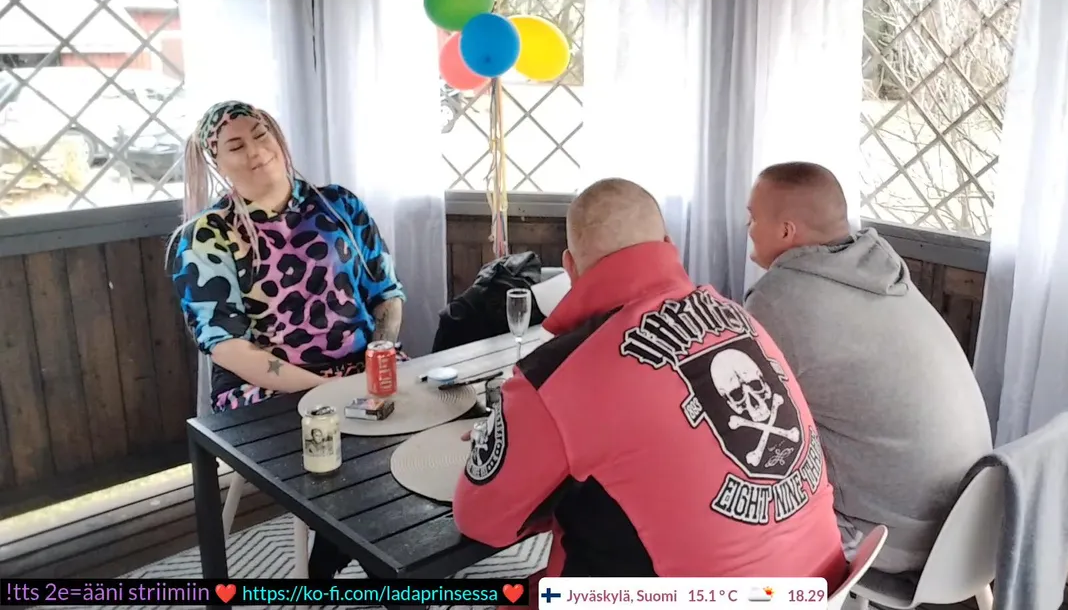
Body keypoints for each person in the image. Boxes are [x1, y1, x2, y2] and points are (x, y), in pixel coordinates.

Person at [453, 178, 847, 586]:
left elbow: (481, 518)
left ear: (570, 267)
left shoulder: (557, 373)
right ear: (668, 243)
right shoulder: (740, 317)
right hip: (823, 586)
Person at [169, 100, 406, 579]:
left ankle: (337, 553)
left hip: (361, 370)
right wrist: (321, 388)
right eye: (236, 146)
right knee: (356, 461)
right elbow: (227, 346)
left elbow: (386, 293)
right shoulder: (206, 235)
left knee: (420, 444)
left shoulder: (339, 205)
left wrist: (378, 353)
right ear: (218, 163)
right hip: (268, 391)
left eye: (262, 135)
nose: (256, 151)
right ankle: (373, 562)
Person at [743, 161, 992, 574]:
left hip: (894, 537)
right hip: (974, 522)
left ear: (786, 231)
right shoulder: (882, 270)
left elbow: (750, 421)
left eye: (752, 218)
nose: (748, 228)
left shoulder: (779, 298)